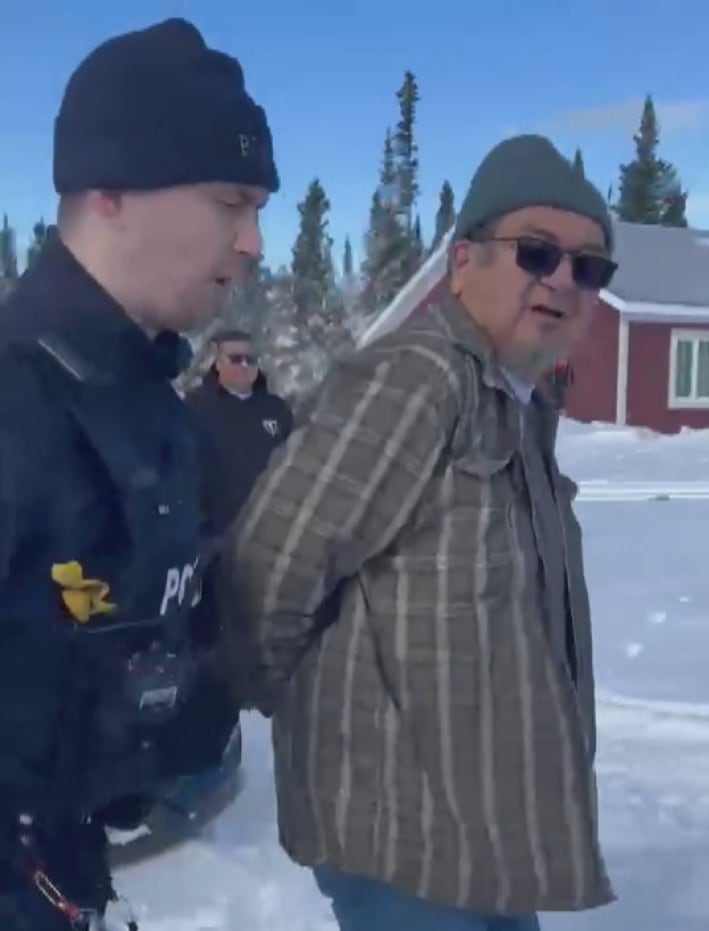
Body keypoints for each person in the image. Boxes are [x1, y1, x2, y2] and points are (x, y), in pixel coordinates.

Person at [221, 135, 618, 931]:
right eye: (537, 252)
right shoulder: (421, 376)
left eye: (589, 266)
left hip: (482, 838)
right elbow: (277, 553)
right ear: (462, 261)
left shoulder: (519, 402)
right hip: (397, 836)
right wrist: (270, 698)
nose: (564, 281)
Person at [0, 17, 278, 931]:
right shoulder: (16, 398)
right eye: (230, 203)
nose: (253, 245)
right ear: (110, 191)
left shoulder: (156, 400)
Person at [186, 329, 293, 537]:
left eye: (250, 359)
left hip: (276, 526)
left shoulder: (277, 409)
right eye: (236, 359)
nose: (244, 365)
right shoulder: (194, 408)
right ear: (217, 363)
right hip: (221, 532)